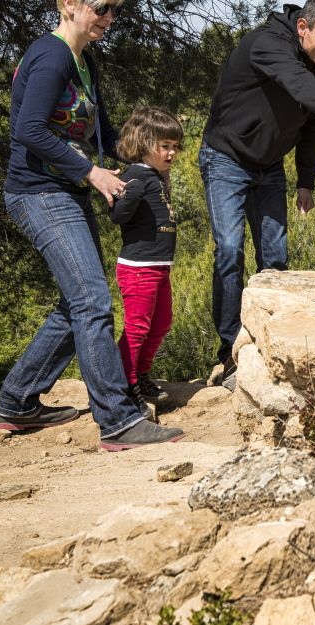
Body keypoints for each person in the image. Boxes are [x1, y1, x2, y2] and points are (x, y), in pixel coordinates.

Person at [0, 0, 184, 450]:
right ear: (69, 4)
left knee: (75, 301)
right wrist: (91, 173)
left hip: (65, 191)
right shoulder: (52, 56)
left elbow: (100, 132)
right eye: (102, 8)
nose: (109, 18)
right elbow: (29, 130)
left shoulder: (83, 60)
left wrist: (137, 160)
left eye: (114, 10)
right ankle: (118, 421)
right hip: (38, 193)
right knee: (92, 302)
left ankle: (17, 401)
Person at [200, 0, 315, 390]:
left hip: (269, 165)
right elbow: (297, 84)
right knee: (229, 251)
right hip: (226, 157)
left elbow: (312, 121)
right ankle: (229, 354)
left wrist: (306, 180)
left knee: (275, 258)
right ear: (302, 28)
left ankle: (272, 343)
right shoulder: (266, 43)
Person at [110, 107, 183, 417]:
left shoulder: (155, 176)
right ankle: (124, 386)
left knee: (161, 323)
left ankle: (140, 375)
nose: (171, 153)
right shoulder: (134, 176)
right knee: (137, 328)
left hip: (159, 266)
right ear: (144, 143)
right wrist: (131, 193)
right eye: (164, 146)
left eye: (175, 146)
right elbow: (117, 215)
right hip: (138, 268)